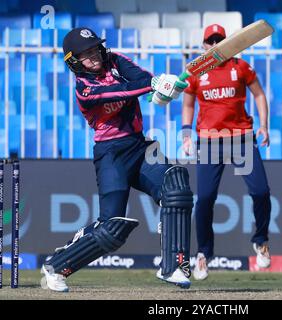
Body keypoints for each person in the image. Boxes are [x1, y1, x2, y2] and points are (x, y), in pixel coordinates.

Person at [40, 27, 193, 292]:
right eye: (86, 54)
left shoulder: (115, 60)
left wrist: (162, 91)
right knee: (111, 229)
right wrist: (154, 84)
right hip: (111, 154)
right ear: (74, 61)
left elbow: (141, 79)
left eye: (95, 49)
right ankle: (55, 266)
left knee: (176, 186)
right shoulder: (84, 89)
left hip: (138, 145)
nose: (94, 56)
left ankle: (174, 265)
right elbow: (120, 92)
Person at [182, 24, 272, 280]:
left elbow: (259, 95)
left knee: (261, 191)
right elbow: (188, 104)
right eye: (210, 40)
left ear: (228, 42)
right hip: (210, 141)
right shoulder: (197, 71)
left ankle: (261, 239)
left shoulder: (240, 67)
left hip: (242, 138)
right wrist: (186, 132)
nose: (215, 44)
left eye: (219, 39)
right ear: (204, 45)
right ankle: (203, 254)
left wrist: (264, 125)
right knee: (206, 199)